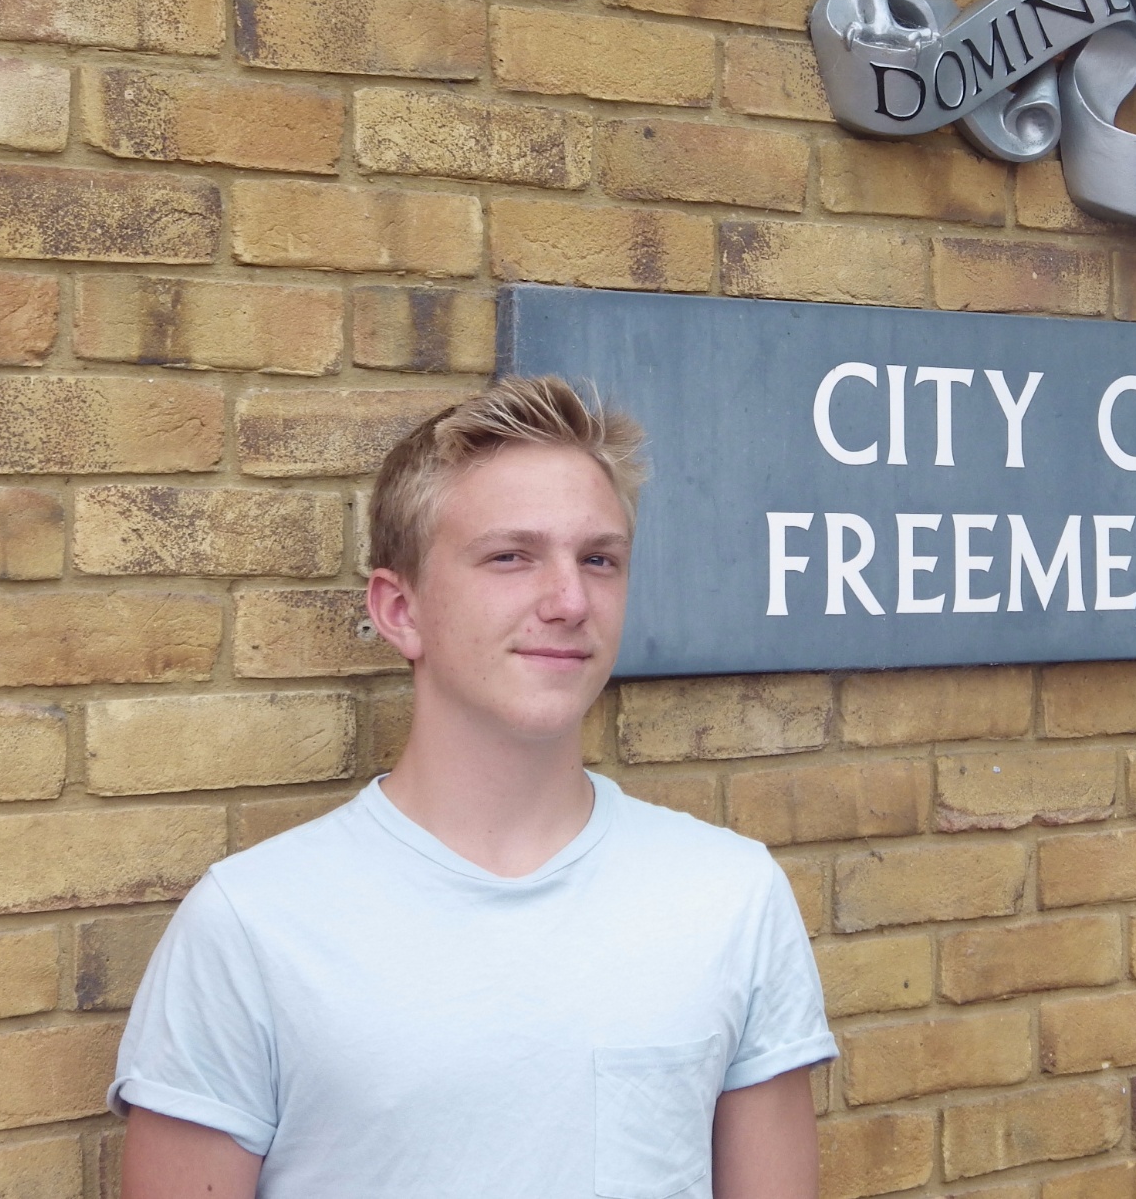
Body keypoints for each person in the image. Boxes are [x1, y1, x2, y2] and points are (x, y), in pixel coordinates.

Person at [109, 377, 836, 1199]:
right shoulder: (251, 927)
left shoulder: (730, 896)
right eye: (510, 556)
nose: (569, 601)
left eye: (599, 559)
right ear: (400, 609)